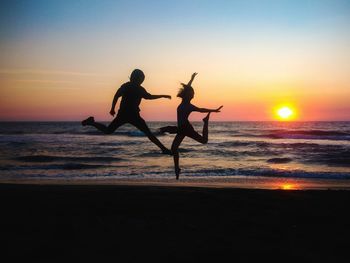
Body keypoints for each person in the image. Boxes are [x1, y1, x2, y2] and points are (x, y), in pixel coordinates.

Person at [82, 69, 172, 154]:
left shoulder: (132, 87)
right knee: (148, 133)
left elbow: (117, 96)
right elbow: (148, 97)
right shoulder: (130, 87)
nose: (141, 81)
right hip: (129, 115)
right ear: (135, 78)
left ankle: (92, 122)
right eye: (140, 79)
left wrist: (112, 108)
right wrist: (112, 108)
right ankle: (163, 149)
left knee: (108, 130)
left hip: (129, 115)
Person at [160, 73, 223, 179]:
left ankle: (205, 122)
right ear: (187, 94)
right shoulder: (184, 101)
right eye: (192, 93)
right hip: (182, 129)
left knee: (204, 141)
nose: (193, 95)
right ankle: (177, 169)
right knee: (174, 148)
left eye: (193, 93)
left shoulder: (189, 106)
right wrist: (191, 79)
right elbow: (187, 88)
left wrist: (214, 110)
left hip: (186, 128)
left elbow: (201, 109)